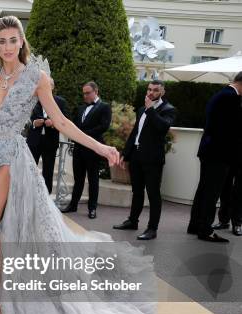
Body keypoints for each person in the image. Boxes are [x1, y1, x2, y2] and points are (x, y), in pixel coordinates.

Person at [0, 16, 156, 314]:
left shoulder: (36, 77)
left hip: (9, 158)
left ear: (22, 42)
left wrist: (100, 148)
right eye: (2, 42)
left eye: (13, 40)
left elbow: (60, 121)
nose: (7, 47)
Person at [114, 80, 177, 240]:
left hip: (153, 159)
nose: (151, 92)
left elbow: (163, 127)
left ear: (162, 92)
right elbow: (136, 133)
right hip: (136, 156)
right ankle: (132, 221)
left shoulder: (168, 109)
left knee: (154, 194)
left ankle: (152, 229)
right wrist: (125, 154)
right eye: (149, 89)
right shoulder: (142, 109)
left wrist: (151, 110)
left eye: (155, 90)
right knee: (137, 192)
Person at [187, 72, 242, 243]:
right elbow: (229, 131)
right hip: (220, 153)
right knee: (212, 192)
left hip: (208, 150)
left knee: (203, 189)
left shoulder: (220, 94)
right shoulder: (231, 98)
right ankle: (205, 229)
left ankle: (195, 225)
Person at [61, 81, 112, 219]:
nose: (85, 95)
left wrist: (83, 136)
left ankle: (92, 208)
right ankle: (73, 205)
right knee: (78, 179)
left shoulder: (104, 107)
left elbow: (104, 126)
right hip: (78, 149)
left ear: (96, 91)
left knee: (93, 179)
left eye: (88, 93)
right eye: (83, 93)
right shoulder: (81, 108)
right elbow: (75, 126)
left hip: (94, 149)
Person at [26, 77, 68, 193]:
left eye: (47, 85)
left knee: (48, 171)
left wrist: (54, 123)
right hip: (34, 141)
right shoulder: (32, 100)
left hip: (50, 142)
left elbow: (65, 121)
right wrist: (34, 123)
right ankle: (29, 193)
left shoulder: (60, 102)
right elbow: (25, 120)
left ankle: (46, 198)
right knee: (29, 169)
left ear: (52, 87)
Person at [212, 165, 242, 236]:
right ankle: (224, 221)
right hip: (228, 156)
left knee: (239, 191)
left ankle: (237, 224)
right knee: (225, 189)